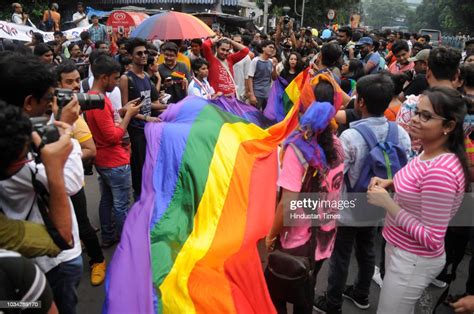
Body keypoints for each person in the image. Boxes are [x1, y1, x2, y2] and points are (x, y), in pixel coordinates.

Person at [314, 74, 411, 314]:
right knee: (367, 250)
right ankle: (361, 293)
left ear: (361, 102)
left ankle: (333, 303)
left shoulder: (350, 136)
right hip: (379, 205)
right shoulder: (401, 134)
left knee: (340, 256)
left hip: (349, 209)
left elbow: (335, 176)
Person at [369, 87, 470, 313]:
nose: (414, 119)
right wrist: (390, 182)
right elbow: (418, 188)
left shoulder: (441, 172)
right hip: (401, 251)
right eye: (417, 112)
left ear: (449, 126)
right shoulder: (429, 150)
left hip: (411, 259)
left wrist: (388, 204)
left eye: (425, 116)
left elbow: (432, 238)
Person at [0, 53, 84, 314]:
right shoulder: (14, 147)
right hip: (51, 263)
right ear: (28, 102)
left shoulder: (10, 131)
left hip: (31, 259)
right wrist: (65, 132)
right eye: (49, 98)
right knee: (43, 305)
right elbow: (70, 182)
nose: (53, 103)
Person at [265, 80, 345, 313]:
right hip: (324, 236)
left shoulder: (297, 150)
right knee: (306, 290)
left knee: (278, 290)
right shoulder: (338, 146)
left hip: (297, 239)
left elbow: (287, 204)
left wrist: (271, 236)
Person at [54, 61, 107, 286]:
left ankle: (97, 260)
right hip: (50, 185)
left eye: (77, 80)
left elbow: (90, 150)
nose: (76, 85)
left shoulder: (74, 116)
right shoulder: (51, 109)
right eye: (69, 81)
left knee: (83, 225)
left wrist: (63, 156)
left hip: (73, 185)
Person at [85, 55, 142, 248]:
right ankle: (127, 243)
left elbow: (106, 124)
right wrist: (129, 116)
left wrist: (122, 111)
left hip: (104, 161)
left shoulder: (94, 98)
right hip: (114, 161)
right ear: (104, 78)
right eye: (115, 78)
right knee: (121, 204)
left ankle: (108, 236)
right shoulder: (100, 101)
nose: (117, 82)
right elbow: (112, 136)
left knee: (107, 200)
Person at [119, 38, 164, 199]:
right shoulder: (126, 79)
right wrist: (146, 118)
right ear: (131, 56)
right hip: (136, 131)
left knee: (149, 166)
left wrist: (168, 107)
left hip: (148, 129)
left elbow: (150, 104)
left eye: (145, 52)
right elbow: (126, 110)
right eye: (139, 53)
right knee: (139, 169)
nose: (143, 56)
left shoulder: (146, 76)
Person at [397, 47, 462, 158]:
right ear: (457, 75)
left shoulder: (411, 104)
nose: (416, 119)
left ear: (428, 72)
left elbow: (400, 142)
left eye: (425, 115)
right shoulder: (465, 106)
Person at [247, 40, 276, 110]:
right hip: (257, 94)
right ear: (263, 48)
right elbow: (250, 78)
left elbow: (274, 78)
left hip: (267, 94)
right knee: (254, 116)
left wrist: (274, 67)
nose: (272, 49)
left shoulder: (271, 61)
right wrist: (252, 95)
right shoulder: (255, 61)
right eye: (270, 47)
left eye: (273, 48)